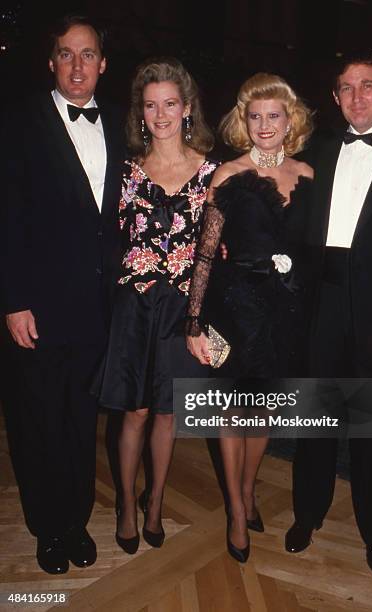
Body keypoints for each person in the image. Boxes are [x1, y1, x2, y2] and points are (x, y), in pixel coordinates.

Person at [285, 49, 372, 577]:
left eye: (368, 86)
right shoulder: (318, 149)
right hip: (321, 303)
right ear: (335, 96)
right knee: (315, 420)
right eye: (347, 87)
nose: (357, 97)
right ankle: (306, 514)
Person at [0, 15, 125, 574]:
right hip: (38, 308)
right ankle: (47, 527)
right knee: (36, 421)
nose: (79, 66)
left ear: (103, 63)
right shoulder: (19, 122)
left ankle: (75, 521)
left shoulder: (122, 125)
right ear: (51, 63)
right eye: (67, 54)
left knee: (80, 420)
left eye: (89, 54)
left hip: (98, 310)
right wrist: (13, 299)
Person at [186, 72, 313, 562]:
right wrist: (194, 321)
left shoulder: (307, 175)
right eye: (254, 116)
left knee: (263, 413)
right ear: (244, 120)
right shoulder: (227, 175)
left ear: (289, 120)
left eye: (273, 116)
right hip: (233, 308)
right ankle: (237, 512)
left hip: (284, 311)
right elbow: (204, 254)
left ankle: (248, 487)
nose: (263, 125)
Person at [94, 57, 218, 554]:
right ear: (140, 113)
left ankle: (157, 502)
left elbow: (211, 251)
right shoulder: (123, 172)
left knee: (168, 413)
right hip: (134, 306)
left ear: (186, 108)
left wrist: (198, 315)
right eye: (151, 105)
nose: (161, 114)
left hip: (180, 311)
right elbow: (104, 239)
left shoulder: (213, 172)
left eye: (170, 103)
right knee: (137, 412)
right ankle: (126, 502)